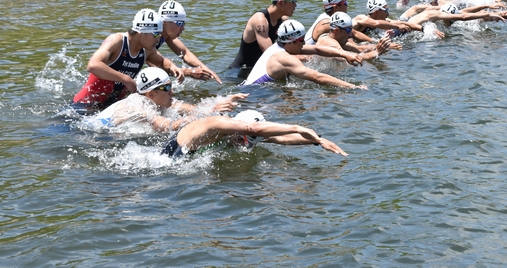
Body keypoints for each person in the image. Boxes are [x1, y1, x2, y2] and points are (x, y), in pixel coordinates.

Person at [71, 9, 183, 115]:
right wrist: (126, 79)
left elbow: (162, 62)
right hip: (84, 106)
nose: (158, 39)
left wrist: (173, 67)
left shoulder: (147, 50)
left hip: (113, 107)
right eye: (155, 34)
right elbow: (93, 65)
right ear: (141, 32)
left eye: (159, 34)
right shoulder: (117, 41)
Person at [85, 67, 247, 133]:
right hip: (96, 136)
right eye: (167, 88)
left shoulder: (160, 100)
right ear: (151, 94)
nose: (172, 92)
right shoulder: (139, 106)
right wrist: (202, 120)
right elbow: (163, 125)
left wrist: (218, 105)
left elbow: (195, 108)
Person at [160, 109, 347, 158]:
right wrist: (299, 127)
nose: (244, 145)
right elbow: (254, 129)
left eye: (249, 143)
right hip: (168, 159)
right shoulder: (218, 124)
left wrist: (318, 140)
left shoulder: (243, 134)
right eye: (242, 140)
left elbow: (278, 138)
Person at [243, 20, 367, 89]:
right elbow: (316, 77)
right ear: (292, 41)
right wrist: (352, 87)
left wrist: (345, 54)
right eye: (302, 40)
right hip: (254, 96)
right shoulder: (283, 58)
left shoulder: (280, 47)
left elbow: (317, 49)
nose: (304, 44)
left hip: (253, 92)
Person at [229, 0, 299, 73]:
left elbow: (297, 44)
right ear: (281, 3)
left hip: (259, 69)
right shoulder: (260, 21)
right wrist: (302, 58)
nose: (295, 5)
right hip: (240, 72)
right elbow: (270, 52)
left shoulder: (284, 20)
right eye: (293, 1)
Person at [154, 0, 222, 84]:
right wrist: (190, 72)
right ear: (165, 22)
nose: (183, 28)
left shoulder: (166, 34)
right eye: (179, 23)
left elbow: (185, 53)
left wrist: (204, 68)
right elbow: (157, 66)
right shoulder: (148, 37)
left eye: (184, 23)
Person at [305, 0, 374, 45]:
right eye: (345, 3)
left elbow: (353, 33)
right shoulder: (328, 24)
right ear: (336, 7)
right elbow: (353, 39)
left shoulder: (328, 17)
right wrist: (374, 45)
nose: (347, 6)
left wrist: (373, 41)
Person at [318, 12, 392, 61]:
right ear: (336, 31)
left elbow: (359, 48)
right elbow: (350, 58)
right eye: (348, 31)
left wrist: (383, 45)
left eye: (351, 30)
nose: (350, 35)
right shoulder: (328, 42)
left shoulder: (340, 41)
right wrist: (376, 52)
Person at [353, 0, 423, 37]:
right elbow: (377, 23)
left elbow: (403, 23)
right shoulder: (360, 18)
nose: (388, 14)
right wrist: (398, 27)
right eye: (386, 10)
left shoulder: (384, 21)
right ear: (376, 12)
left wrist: (423, 29)